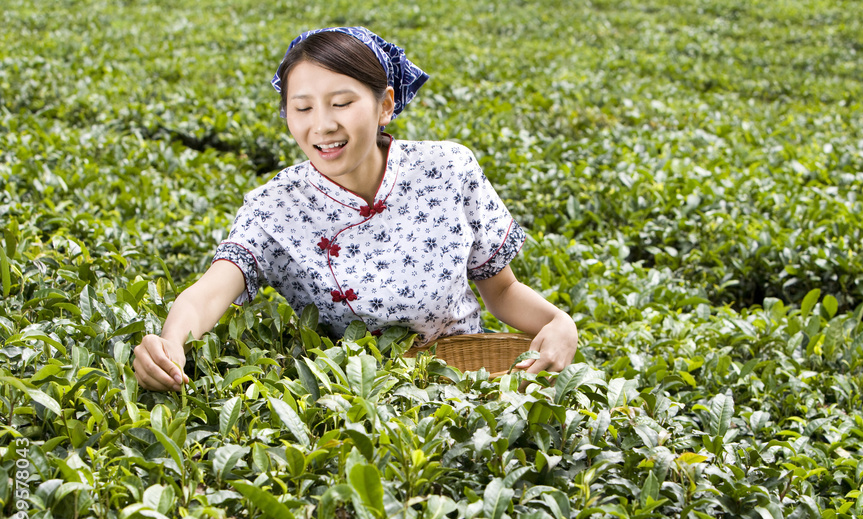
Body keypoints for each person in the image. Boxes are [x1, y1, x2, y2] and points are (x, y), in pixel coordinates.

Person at [133, 26, 577, 392]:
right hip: (358, 402)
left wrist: (559, 322)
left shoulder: (447, 168)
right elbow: (210, 291)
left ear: (384, 105)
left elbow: (500, 291)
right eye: (301, 108)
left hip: (471, 381)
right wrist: (169, 342)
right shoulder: (275, 206)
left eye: (341, 103)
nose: (322, 125)